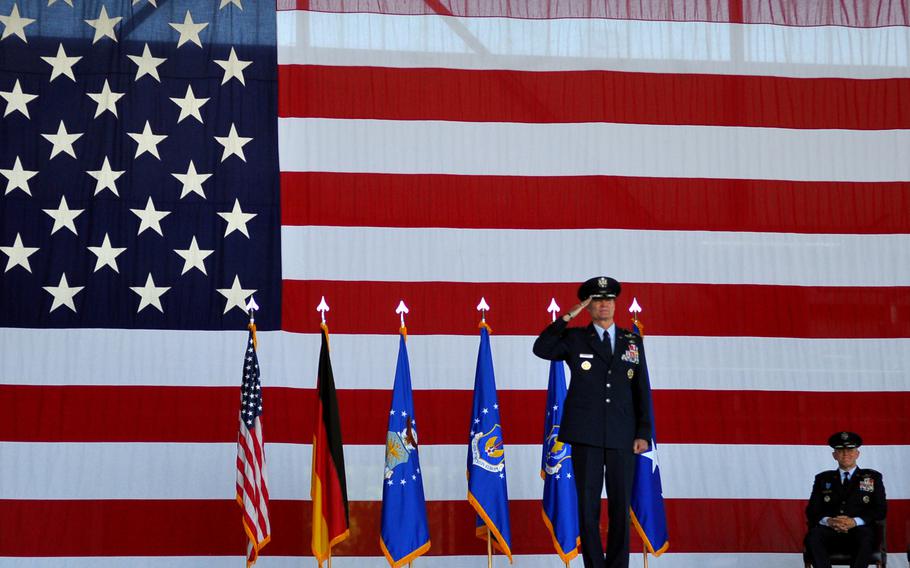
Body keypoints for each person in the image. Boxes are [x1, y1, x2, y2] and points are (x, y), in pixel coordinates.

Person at [533, 276, 652, 568]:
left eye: (609, 301)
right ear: (589, 306)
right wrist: (568, 314)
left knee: (620, 506)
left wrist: (643, 431)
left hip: (623, 435)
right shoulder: (574, 338)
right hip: (586, 435)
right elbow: (542, 347)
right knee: (588, 507)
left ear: (615, 304)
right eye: (597, 301)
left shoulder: (631, 341)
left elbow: (641, 388)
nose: (604, 306)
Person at [805, 431, 887, 568]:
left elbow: (880, 510)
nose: (845, 454)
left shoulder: (873, 477)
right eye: (841, 450)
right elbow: (812, 511)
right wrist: (830, 521)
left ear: (857, 454)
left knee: (866, 538)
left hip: (859, 530)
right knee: (813, 537)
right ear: (834, 455)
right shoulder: (823, 479)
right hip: (830, 530)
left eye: (850, 450)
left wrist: (854, 521)